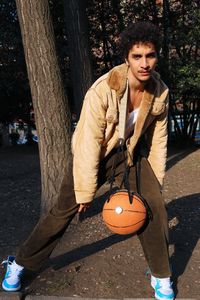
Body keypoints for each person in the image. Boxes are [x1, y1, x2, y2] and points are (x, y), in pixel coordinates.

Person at [2, 21, 174, 300]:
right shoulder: (104, 88)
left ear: (157, 56)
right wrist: (85, 190)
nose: (144, 63)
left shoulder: (160, 92)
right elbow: (87, 142)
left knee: (154, 206)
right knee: (62, 212)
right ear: (126, 58)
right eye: (137, 56)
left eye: (150, 55)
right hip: (93, 155)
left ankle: (161, 275)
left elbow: (158, 141)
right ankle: (20, 264)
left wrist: (156, 181)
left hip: (127, 156)